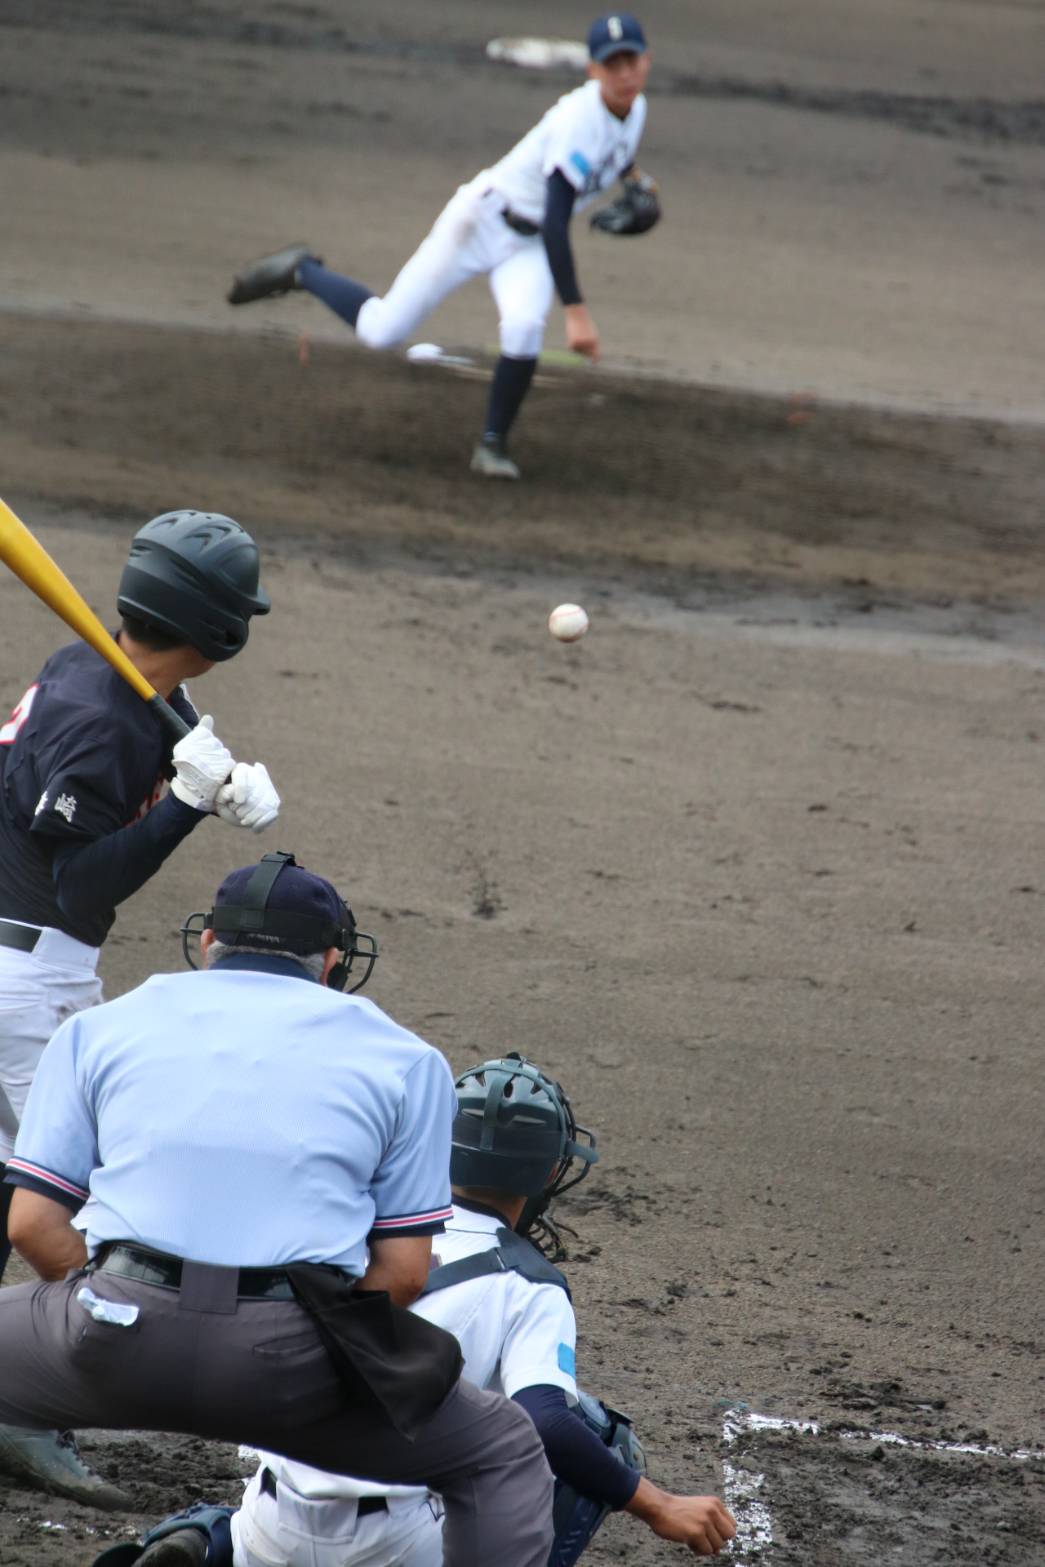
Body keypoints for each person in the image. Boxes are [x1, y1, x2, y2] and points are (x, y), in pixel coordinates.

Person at [0, 854, 554, 1567]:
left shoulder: (102, 1026)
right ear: (329, 961)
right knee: (501, 1449)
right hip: (286, 1364)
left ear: (207, 945)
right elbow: (405, 1273)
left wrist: (107, 1302)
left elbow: (30, 1226)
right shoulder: (406, 1057)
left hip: (111, 1333)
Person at [98, 1053, 736, 1566]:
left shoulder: (349, 1223)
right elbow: (545, 1422)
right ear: (547, 1176)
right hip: (400, 1543)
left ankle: (215, 1542)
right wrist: (658, 1505)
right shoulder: (531, 1286)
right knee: (595, 1435)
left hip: (276, 1519)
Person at [0, 508, 279, 1504]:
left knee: (20, 1178)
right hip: (29, 980)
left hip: (14, 962)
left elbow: (151, 721)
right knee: (80, 1201)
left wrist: (208, 766)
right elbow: (82, 886)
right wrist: (182, 808)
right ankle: (25, 1409)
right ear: (218, 627)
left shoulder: (85, 662)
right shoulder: (102, 717)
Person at [225, 14, 658, 480]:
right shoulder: (577, 121)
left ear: (645, 62)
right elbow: (557, 220)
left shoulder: (635, 108)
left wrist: (641, 184)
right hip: (480, 223)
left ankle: (492, 444)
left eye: (631, 60)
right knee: (382, 331)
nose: (624, 73)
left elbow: (619, 152)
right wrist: (576, 311)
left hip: (526, 246)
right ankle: (302, 271)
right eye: (612, 64)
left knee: (524, 324)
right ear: (593, 70)